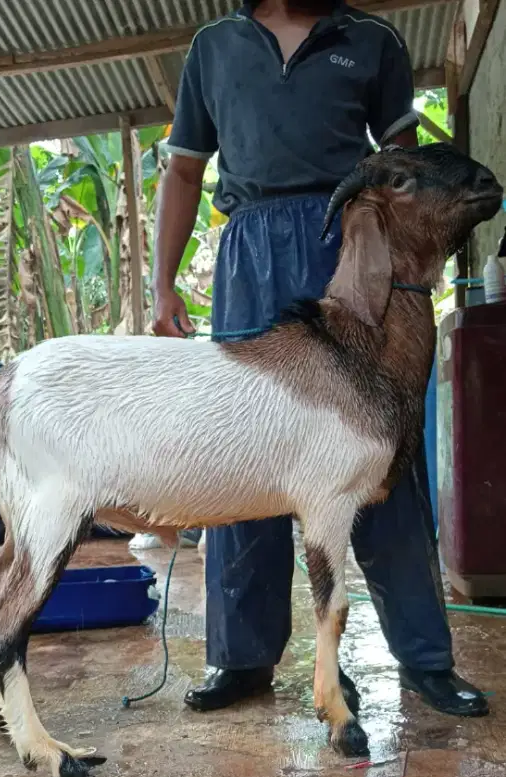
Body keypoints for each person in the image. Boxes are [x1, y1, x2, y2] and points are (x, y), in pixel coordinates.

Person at [152, 0, 489, 719]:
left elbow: (410, 170)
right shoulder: (215, 46)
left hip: (352, 242)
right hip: (249, 252)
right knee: (245, 453)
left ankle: (425, 659)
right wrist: (161, 286)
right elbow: (183, 172)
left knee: (383, 454)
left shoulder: (371, 39)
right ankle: (243, 658)